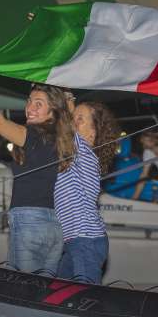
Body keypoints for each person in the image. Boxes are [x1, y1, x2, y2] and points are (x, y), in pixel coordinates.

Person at [0, 66, 74, 275]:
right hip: (56, 226)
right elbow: (69, 114)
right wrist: (66, 94)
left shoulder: (33, 135)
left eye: (39, 104)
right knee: (42, 291)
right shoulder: (64, 140)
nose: (30, 107)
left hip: (30, 221)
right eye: (29, 101)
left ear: (52, 113)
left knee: (23, 288)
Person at [55, 101, 119, 284]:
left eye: (80, 119)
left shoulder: (83, 150)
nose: (73, 121)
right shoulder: (76, 154)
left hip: (85, 238)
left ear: (93, 133)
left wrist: (66, 100)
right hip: (75, 239)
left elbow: (61, 125)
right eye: (74, 117)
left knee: (87, 296)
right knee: (61, 290)